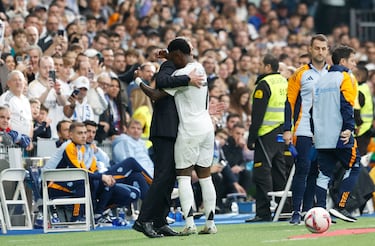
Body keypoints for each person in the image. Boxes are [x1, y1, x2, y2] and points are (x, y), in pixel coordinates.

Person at [139, 38, 217, 235]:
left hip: (189, 129)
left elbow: (157, 94)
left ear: (178, 56)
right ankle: (210, 224)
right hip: (207, 126)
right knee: (205, 176)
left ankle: (189, 224)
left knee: (183, 176)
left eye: (174, 58)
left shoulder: (182, 74)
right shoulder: (199, 67)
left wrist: (138, 81)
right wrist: (167, 55)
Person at [283, 34, 329, 224]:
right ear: (310, 49)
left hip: (326, 131)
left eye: (323, 48)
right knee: (303, 168)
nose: (320, 52)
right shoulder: (300, 73)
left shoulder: (334, 74)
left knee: (317, 172)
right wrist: (287, 128)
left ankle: (310, 212)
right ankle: (296, 212)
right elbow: (289, 102)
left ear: (327, 50)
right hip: (304, 129)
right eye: (317, 48)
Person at [312, 45, 361, 222]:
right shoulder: (345, 77)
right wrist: (349, 128)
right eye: (353, 61)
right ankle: (341, 206)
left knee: (324, 174)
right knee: (354, 166)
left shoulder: (321, 80)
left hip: (322, 136)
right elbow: (347, 104)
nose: (354, 65)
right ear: (343, 61)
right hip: (341, 135)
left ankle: (321, 213)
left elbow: (314, 109)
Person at [245, 54, 288, 223]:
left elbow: (258, 114)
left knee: (262, 173)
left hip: (265, 133)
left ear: (268, 67)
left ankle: (263, 212)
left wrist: (251, 137)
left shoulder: (264, 84)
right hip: (281, 132)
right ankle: (283, 209)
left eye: (261, 65)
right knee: (279, 172)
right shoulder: (284, 82)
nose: (259, 68)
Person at [353, 65, 374, 155]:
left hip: (360, 130)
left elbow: (356, 110)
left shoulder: (359, 91)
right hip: (367, 127)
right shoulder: (365, 88)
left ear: (359, 77)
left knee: (359, 157)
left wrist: (358, 125)